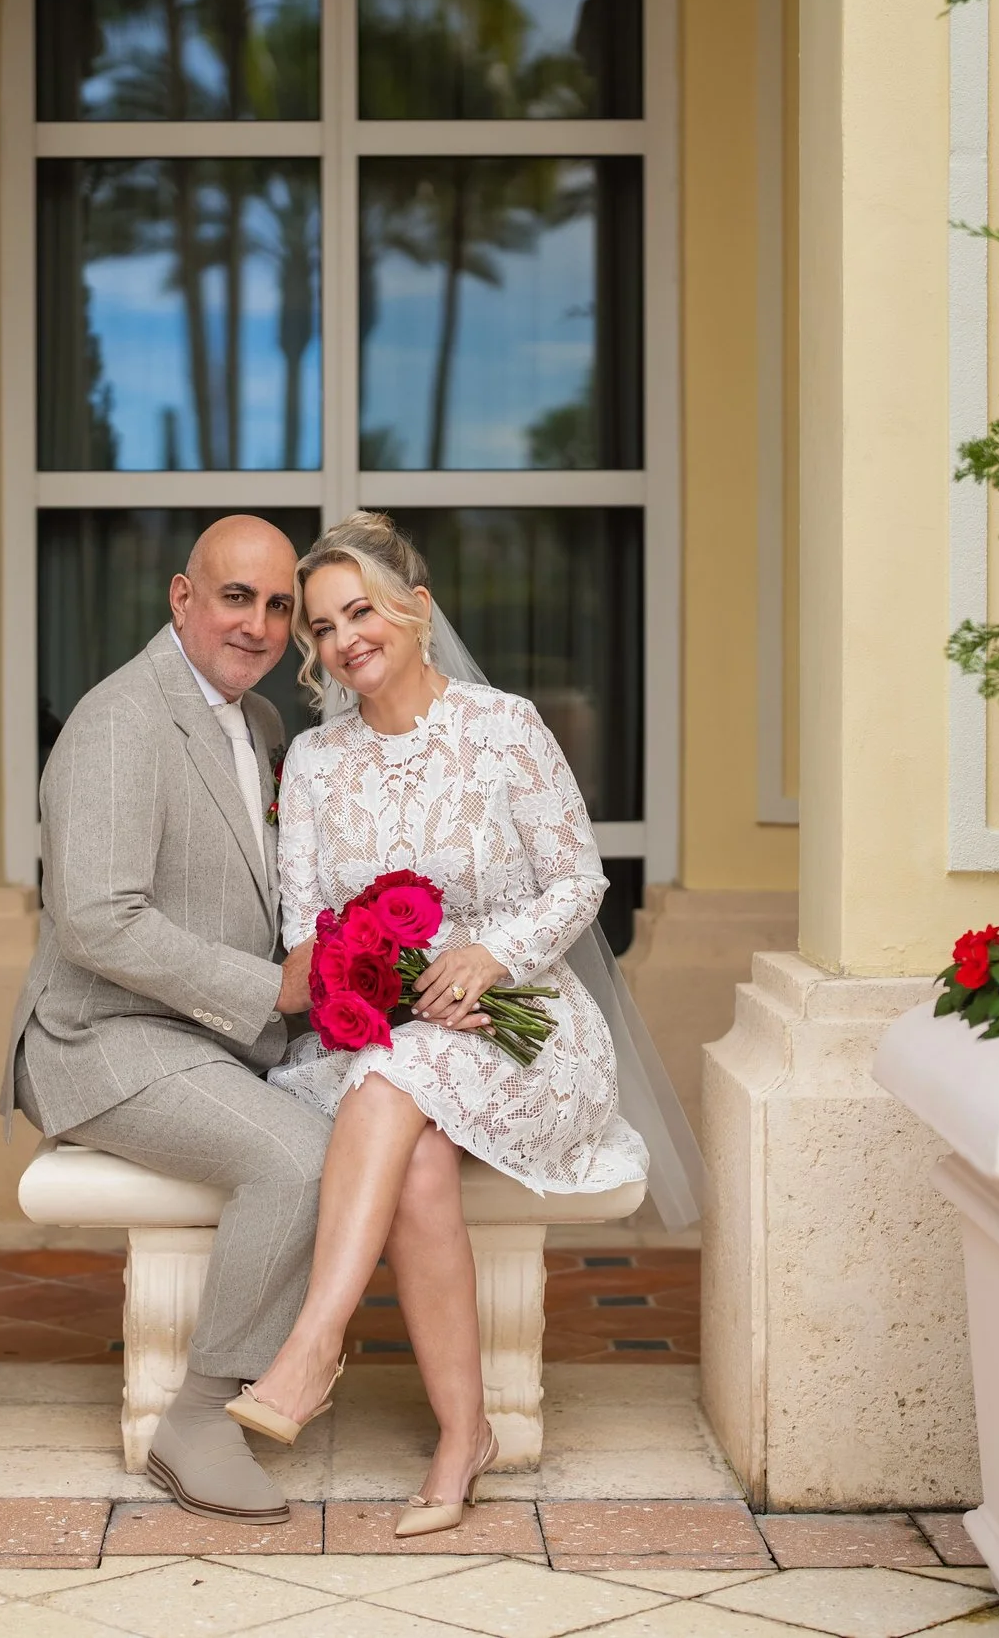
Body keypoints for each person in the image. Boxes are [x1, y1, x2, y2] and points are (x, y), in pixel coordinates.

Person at [229, 512, 653, 1539]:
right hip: (392, 1033)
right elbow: (307, 932)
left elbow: (576, 879)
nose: (341, 640)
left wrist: (488, 957)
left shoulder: (503, 727)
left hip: (525, 1023)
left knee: (396, 1085)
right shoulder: (319, 765)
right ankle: (463, 1438)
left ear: (416, 611)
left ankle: (313, 1344)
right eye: (322, 627)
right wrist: (372, 979)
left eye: (359, 610)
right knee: (413, 1149)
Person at [2, 515, 324, 1526]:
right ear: (182, 600)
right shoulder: (120, 720)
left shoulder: (259, 723)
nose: (259, 624)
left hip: (199, 1029)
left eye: (278, 605)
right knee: (302, 1156)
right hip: (98, 1036)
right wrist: (271, 990)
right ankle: (197, 1414)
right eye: (236, 596)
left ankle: (296, 1352)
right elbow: (95, 919)